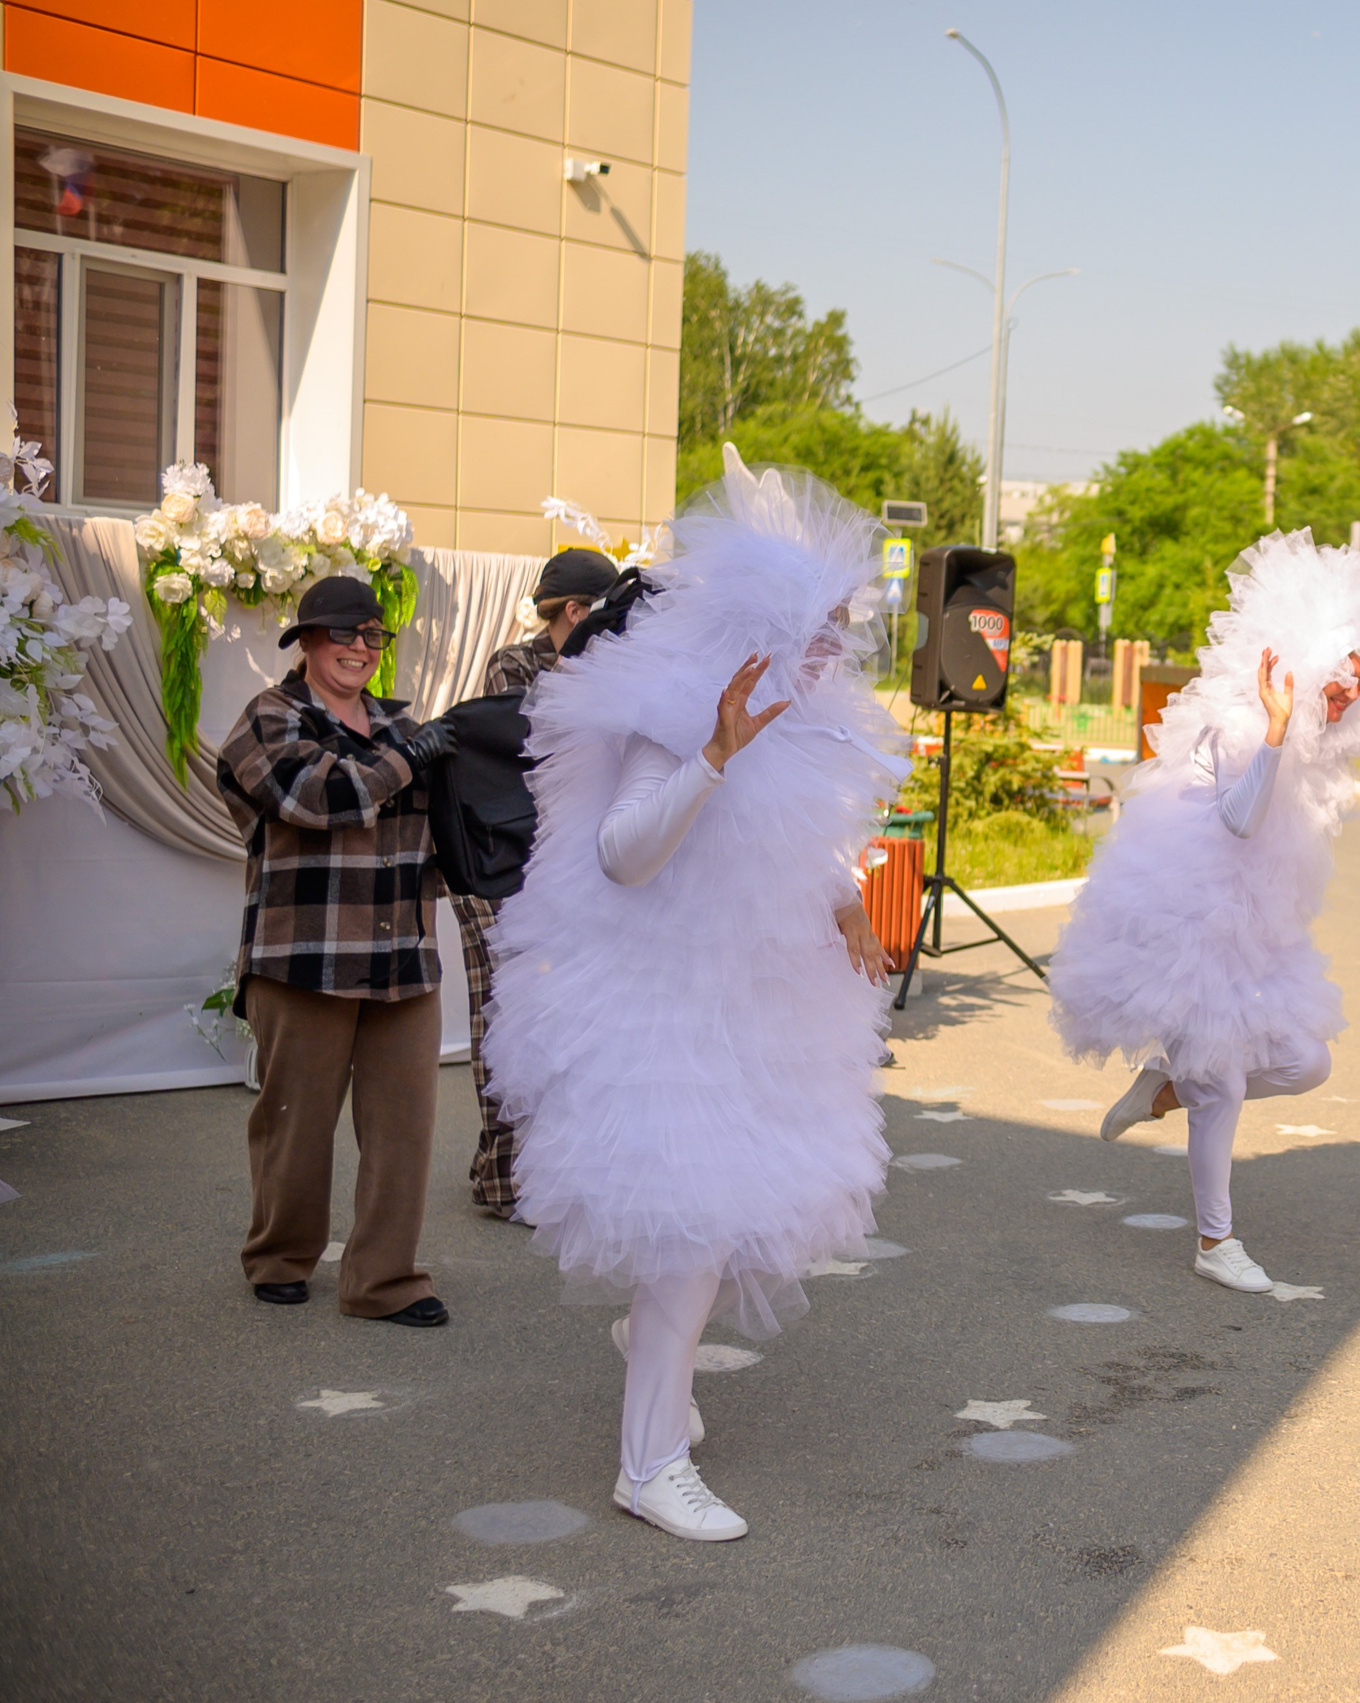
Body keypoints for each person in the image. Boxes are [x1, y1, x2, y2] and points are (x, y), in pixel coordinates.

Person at [483, 449, 902, 1542]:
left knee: (720, 1230)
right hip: (659, 1009)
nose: (835, 643)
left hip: (752, 1009)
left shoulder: (802, 718)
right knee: (690, 1232)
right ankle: (649, 1465)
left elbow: (785, 843)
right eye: (821, 622)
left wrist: (842, 900)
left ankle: (653, 1372)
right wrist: (711, 754)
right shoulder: (676, 707)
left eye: (841, 622)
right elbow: (624, 854)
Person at [1048, 530, 1360, 1293]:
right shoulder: (1237, 719)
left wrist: (1299, 735)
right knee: (1219, 1082)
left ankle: (1163, 1086)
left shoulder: (1320, 737)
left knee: (1307, 1061)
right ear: (1306, 655)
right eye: (1342, 673)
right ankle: (1215, 1239)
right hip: (1185, 914)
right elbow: (1240, 820)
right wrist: (1278, 732)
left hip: (1252, 929)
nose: (1351, 691)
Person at [215, 575, 457, 1325]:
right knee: (296, 1119)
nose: (360, 646)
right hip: (302, 960)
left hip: (404, 962)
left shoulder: (403, 728)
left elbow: (437, 845)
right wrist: (411, 760)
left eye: (372, 635)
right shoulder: (270, 718)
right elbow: (316, 799)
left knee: (405, 1132)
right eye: (343, 633)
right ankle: (281, 1257)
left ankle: (383, 1281)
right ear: (307, 642)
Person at [450, 545, 619, 1217]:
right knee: (504, 1012)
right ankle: (501, 1176)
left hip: (559, 865)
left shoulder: (606, 667)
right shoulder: (514, 666)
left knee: (567, 1017)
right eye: (607, 613)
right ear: (575, 612)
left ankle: (551, 1167)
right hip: (495, 864)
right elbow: (539, 746)